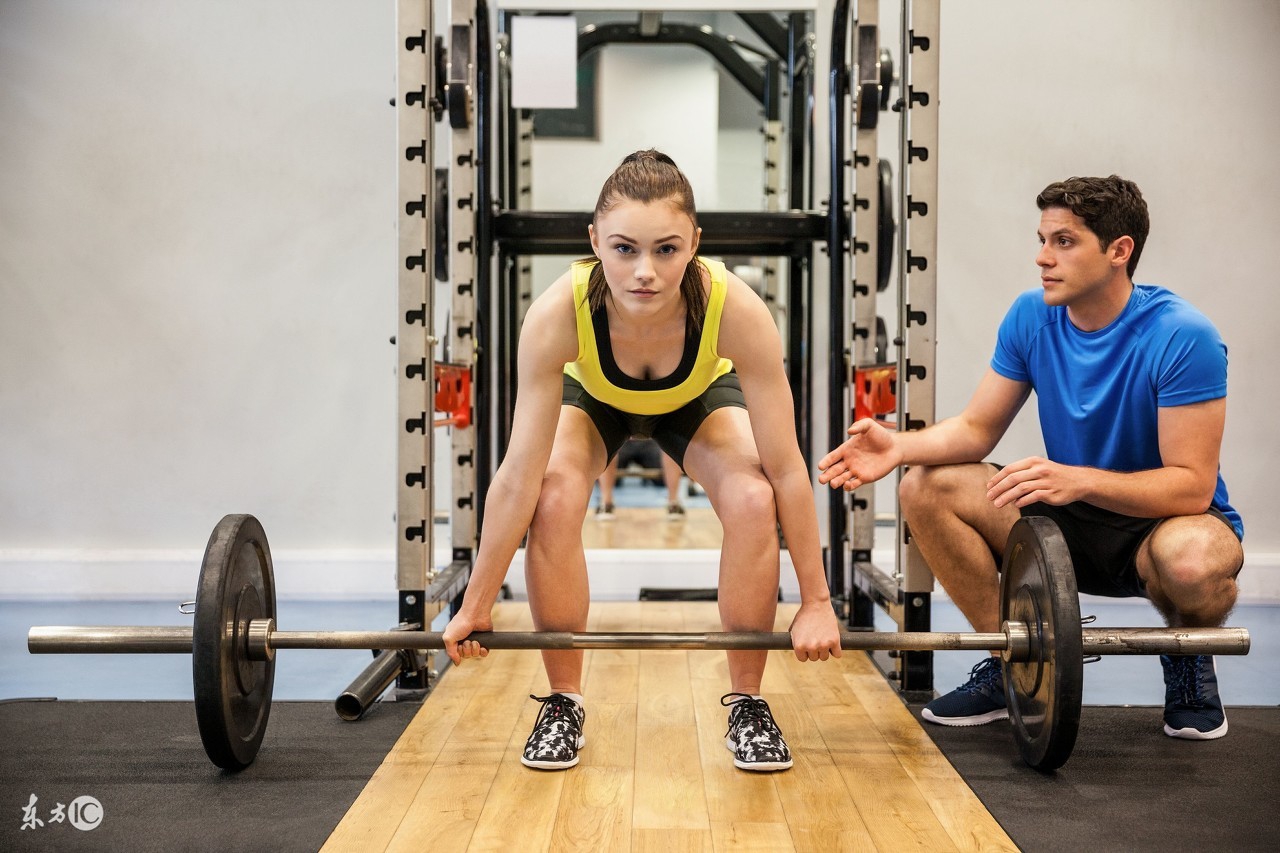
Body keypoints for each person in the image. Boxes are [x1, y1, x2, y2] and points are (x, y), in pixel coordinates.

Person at [442, 149, 842, 772]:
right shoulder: (557, 315)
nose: (646, 271)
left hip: (697, 398)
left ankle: (748, 702)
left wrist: (816, 601)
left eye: (667, 249)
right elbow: (518, 473)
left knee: (752, 496)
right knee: (552, 494)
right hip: (596, 397)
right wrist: (476, 602)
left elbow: (788, 468)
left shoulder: (735, 309)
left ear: (695, 245)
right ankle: (563, 700)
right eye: (625, 248)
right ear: (595, 240)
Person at [818, 175, 1244, 740]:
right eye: (1042, 240)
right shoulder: (1031, 317)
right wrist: (899, 446)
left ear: (1119, 252)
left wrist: (1079, 480)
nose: (1042, 257)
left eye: (1064, 242)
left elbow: (1192, 487)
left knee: (1194, 562)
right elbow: (975, 429)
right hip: (1066, 514)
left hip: (1163, 524)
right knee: (925, 487)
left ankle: (1189, 656)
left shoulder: (1182, 336)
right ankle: (1010, 659)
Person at [594, 438, 686, 520]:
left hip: (650, 440)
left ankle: (673, 503)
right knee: (606, 440)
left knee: (669, 442)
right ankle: (606, 503)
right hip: (622, 440)